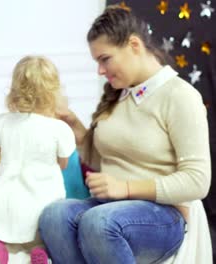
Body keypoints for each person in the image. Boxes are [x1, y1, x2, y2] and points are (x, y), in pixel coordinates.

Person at [38, 6, 212, 264]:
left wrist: (126, 188)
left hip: (164, 214)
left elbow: (198, 181)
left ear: (134, 45)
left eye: (104, 59)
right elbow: (110, 163)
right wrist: (79, 133)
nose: (100, 70)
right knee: (54, 215)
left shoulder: (180, 96)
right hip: (113, 207)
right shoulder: (121, 93)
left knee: (100, 222)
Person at [0, 55, 76, 264]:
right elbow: (64, 163)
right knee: (42, 236)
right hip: (40, 200)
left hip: (0, 201)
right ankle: (38, 253)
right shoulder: (60, 129)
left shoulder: (1, 121)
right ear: (54, 91)